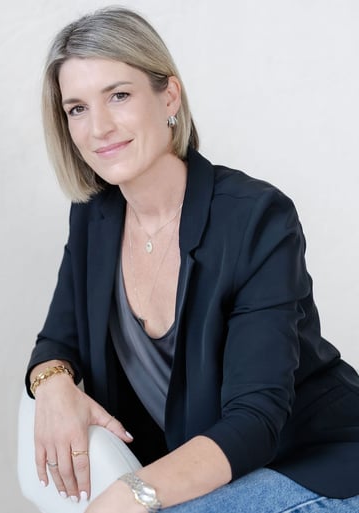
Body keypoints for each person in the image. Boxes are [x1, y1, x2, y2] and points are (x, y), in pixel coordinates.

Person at [24, 7, 359, 513]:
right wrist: (52, 387)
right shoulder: (94, 218)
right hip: (208, 473)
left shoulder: (256, 218)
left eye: (119, 95)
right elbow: (57, 339)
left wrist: (132, 494)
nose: (100, 127)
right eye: (77, 108)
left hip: (311, 461)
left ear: (169, 97)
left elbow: (254, 420)